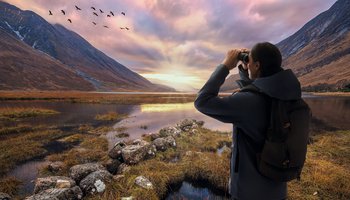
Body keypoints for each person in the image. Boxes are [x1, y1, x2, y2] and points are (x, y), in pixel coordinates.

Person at [194, 42, 302, 200]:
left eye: (250, 61)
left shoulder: (247, 102)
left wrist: (225, 65)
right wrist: (247, 73)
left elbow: (202, 101)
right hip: (277, 190)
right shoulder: (290, 98)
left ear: (257, 65)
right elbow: (259, 91)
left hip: (248, 192)